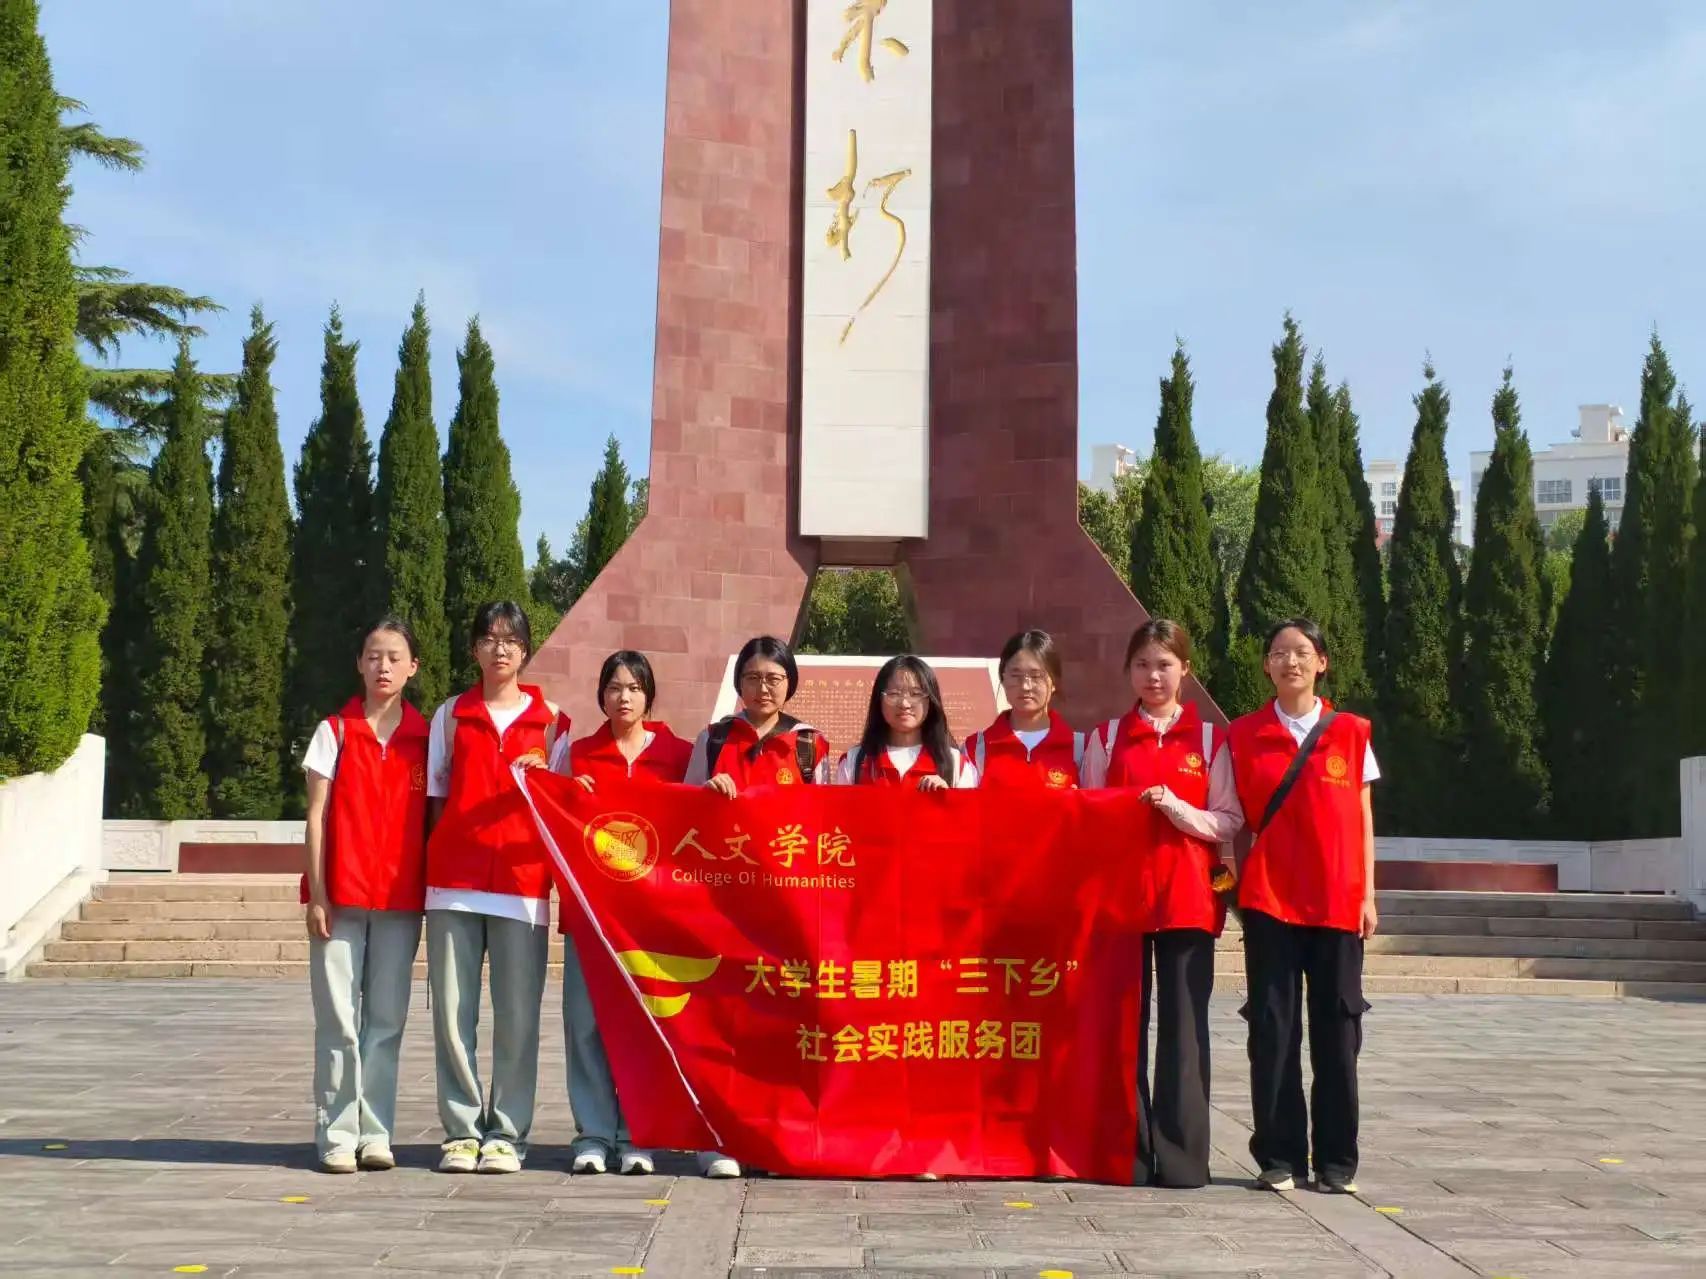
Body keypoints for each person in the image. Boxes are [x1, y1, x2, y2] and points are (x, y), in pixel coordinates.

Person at [1080, 619, 1242, 1189]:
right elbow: (1089, 815)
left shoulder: (1209, 740)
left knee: (1184, 1030)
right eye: (1143, 665)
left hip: (1187, 899)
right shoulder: (1106, 739)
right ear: (1128, 670)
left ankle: (1181, 1159)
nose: (1154, 676)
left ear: (1185, 671)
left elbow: (1228, 819)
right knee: (1124, 1026)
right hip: (1121, 901)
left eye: (1165, 665)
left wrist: (1176, 809)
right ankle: (1127, 1152)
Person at [1226, 617, 1379, 1195]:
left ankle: (1337, 1161)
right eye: (1278, 653)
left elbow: (1363, 817)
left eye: (1301, 652)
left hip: (1338, 902)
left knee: (1338, 1032)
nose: (1290, 661)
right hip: (1270, 902)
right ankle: (1279, 1157)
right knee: (1272, 1030)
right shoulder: (1243, 735)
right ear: (1266, 665)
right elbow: (1231, 817)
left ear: (1322, 662)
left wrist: (1368, 894)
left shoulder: (1352, 733)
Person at [424, 602, 570, 1175]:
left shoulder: (553, 721)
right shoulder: (450, 715)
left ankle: (508, 1133)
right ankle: (461, 1132)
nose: (500, 649)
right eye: (489, 638)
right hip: (454, 885)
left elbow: (565, 806)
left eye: (511, 640)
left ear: (525, 650)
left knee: (518, 1018)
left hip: (522, 884)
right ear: (474, 649)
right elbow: (436, 800)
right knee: (452, 1016)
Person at [683, 635, 830, 1177]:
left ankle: (778, 1138)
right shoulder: (714, 738)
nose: (763, 688)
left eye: (773, 678)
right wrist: (707, 794)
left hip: (787, 910)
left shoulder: (810, 746)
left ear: (790, 683)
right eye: (752, 678)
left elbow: (828, 826)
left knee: (783, 1027)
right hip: (724, 906)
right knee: (722, 1024)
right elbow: (681, 813)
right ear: (738, 683)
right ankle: (720, 1138)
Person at [550, 650, 692, 1176]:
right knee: (585, 1024)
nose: (623, 696)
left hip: (652, 919)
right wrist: (565, 791)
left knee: (645, 1026)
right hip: (590, 915)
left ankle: (638, 1134)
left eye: (633, 687)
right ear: (601, 696)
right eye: (614, 687)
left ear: (648, 695)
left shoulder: (680, 754)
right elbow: (551, 812)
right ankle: (592, 1133)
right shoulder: (579, 754)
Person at [302, 617, 430, 1174]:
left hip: (401, 903)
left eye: (394, 657)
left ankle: (375, 1133)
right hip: (341, 899)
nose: (383, 666)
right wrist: (318, 894)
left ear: (412, 667)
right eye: (374, 655)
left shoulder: (427, 738)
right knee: (339, 1022)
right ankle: (337, 1133)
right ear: (359, 663)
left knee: (385, 1023)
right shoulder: (334, 731)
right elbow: (316, 816)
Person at [961, 630, 1082, 789]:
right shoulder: (976, 748)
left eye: (1036, 676)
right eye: (1015, 675)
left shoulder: (1080, 748)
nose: (1025, 686)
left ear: (1054, 683)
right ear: (1003, 679)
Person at [835, 654, 978, 789]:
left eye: (915, 694)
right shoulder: (853, 762)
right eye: (894, 694)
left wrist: (949, 797)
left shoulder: (956, 765)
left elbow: (968, 808)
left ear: (931, 700)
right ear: (879, 700)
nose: (904, 704)